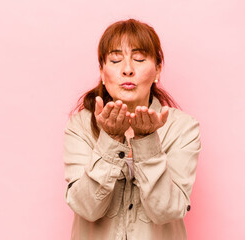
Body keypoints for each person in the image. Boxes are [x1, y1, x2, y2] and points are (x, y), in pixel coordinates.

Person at [63, 19, 201, 240]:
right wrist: (110, 140)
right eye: (116, 59)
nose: (127, 69)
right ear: (101, 70)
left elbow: (167, 211)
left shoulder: (183, 128)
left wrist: (147, 142)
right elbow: (86, 208)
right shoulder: (80, 126)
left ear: (157, 69)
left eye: (139, 59)